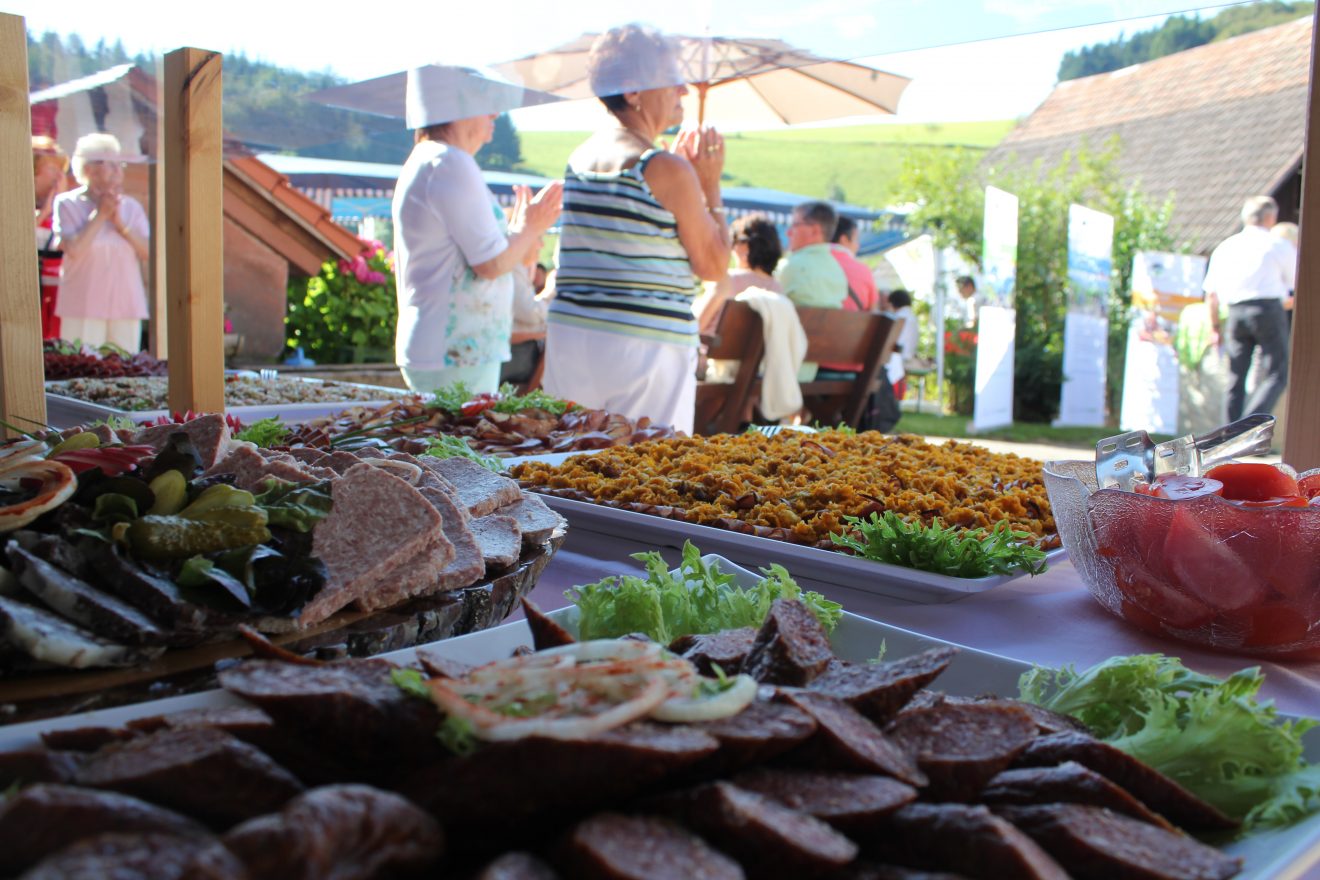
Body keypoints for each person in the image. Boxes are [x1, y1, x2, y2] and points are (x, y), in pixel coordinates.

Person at [542, 24, 731, 433]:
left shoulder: (578, 159)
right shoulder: (662, 167)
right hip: (645, 347)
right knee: (645, 471)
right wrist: (710, 183)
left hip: (571, 335)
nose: (682, 89)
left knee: (565, 463)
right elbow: (715, 266)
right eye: (670, 75)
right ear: (632, 89)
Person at [392, 66, 562, 394]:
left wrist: (521, 232)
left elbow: (487, 256)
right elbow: (490, 265)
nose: (495, 113)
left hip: (447, 349)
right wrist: (531, 227)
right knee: (458, 444)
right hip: (456, 353)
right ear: (457, 109)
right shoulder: (450, 162)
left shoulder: (432, 160)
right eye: (485, 101)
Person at [52, 133, 149, 352]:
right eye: (109, 163)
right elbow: (74, 249)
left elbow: (148, 252)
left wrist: (121, 225)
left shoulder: (131, 207)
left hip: (125, 306)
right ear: (88, 169)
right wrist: (100, 215)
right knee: (81, 370)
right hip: (83, 306)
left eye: (119, 163)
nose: (117, 170)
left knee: (125, 374)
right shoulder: (67, 204)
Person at [1203, 196, 1295, 420]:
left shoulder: (1226, 246)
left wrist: (1214, 327)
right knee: (1277, 374)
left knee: (1235, 376)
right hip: (1268, 310)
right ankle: (1248, 426)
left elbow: (1211, 295)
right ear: (1271, 217)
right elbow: (1295, 284)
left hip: (1235, 312)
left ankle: (1227, 435)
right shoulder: (1277, 245)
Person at [693, 213, 783, 338]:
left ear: (747, 246)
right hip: (754, 357)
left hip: (713, 354)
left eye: (735, 241)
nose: (732, 248)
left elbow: (695, 326)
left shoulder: (726, 280)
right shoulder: (777, 289)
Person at [777, 201, 847, 309]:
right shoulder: (838, 271)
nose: (788, 232)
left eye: (795, 225)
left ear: (815, 231)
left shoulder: (790, 265)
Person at [33, 136, 69, 341]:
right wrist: (46, 210)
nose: (59, 175)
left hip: (57, 292)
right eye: (52, 168)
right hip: (30, 291)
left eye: (61, 169)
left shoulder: (65, 206)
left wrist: (60, 205)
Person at [830, 215, 879, 312]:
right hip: (854, 325)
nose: (858, 245)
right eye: (856, 239)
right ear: (843, 239)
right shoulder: (863, 270)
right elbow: (873, 309)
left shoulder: (809, 264)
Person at [885, 289, 919, 400]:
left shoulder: (897, 317)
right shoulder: (912, 317)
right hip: (908, 356)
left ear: (892, 303)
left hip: (896, 358)